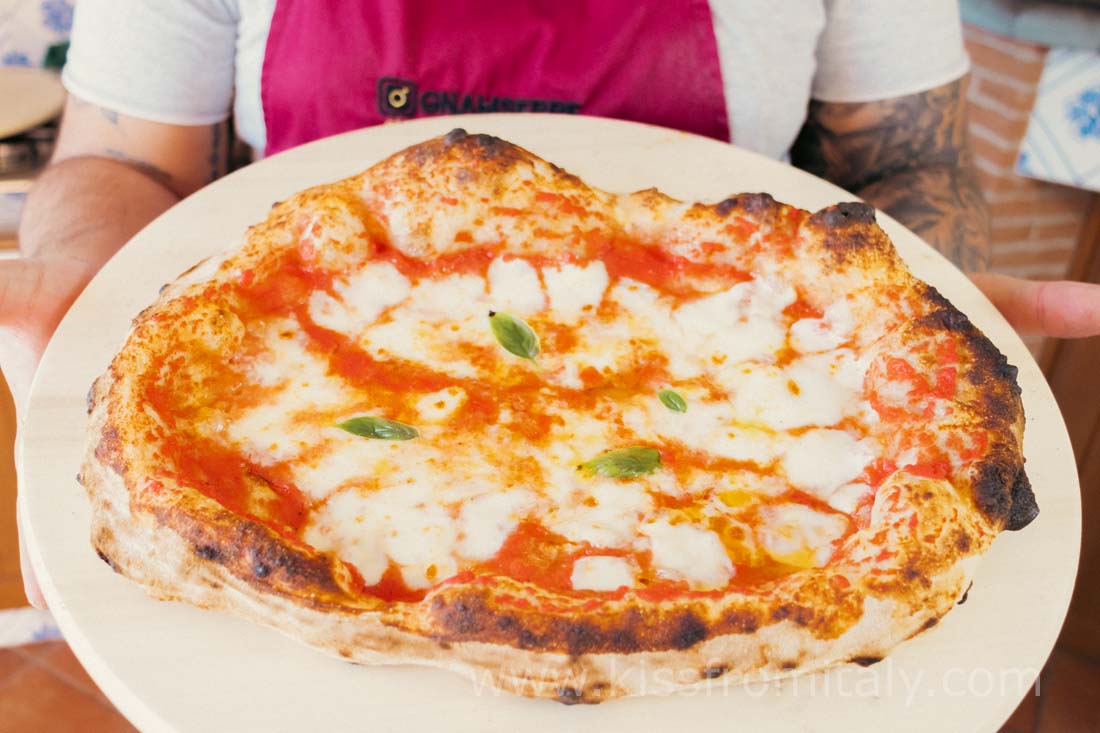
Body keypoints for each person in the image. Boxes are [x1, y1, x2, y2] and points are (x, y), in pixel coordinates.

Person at [4, 0, 1099, 608]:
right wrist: (91, 284)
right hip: (286, 413)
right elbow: (121, 162)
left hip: (738, 394)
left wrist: (903, 335)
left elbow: (911, 164)